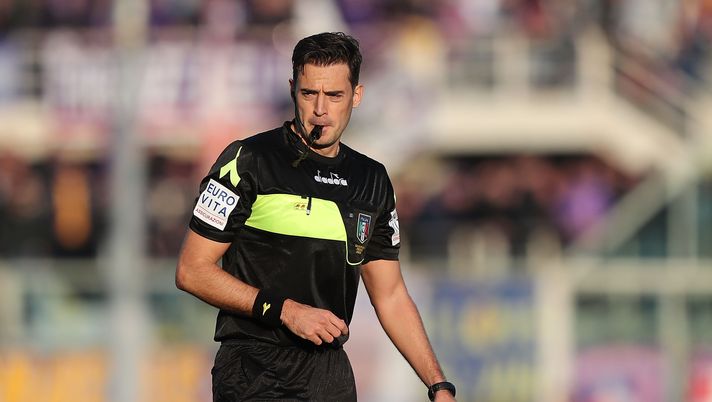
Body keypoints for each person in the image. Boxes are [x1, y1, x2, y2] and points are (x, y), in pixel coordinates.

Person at [176, 31, 456, 402]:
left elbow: (390, 295)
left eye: (335, 95)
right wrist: (285, 311)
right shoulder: (248, 160)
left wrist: (438, 384)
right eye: (309, 94)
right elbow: (192, 271)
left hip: (329, 375)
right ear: (293, 89)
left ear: (357, 96)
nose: (320, 109)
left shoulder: (371, 180)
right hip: (253, 370)